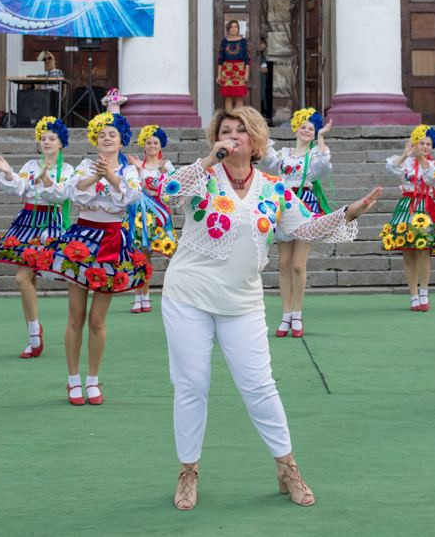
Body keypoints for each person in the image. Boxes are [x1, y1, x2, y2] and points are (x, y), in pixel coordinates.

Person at [158, 106, 381, 510]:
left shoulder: (275, 188)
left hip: (242, 301)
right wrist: (209, 159)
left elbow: (302, 227)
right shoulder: (203, 177)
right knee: (192, 386)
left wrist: (347, 213)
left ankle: (287, 466)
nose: (231, 136)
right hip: (187, 295)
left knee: (259, 386)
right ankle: (188, 471)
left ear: (257, 140)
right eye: (224, 131)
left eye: (240, 131)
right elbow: (167, 191)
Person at [47, 112, 147, 407]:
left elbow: (131, 197)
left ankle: (93, 379)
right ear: (95, 139)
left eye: (112, 134)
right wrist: (97, 175)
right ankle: (72, 379)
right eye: (102, 134)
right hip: (82, 239)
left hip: (112, 242)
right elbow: (70, 192)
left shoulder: (129, 171)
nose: (106, 138)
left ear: (121, 140)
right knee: (75, 316)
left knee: (97, 319)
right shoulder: (83, 166)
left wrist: (111, 176)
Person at [0, 115, 76, 358]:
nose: (46, 142)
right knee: (25, 280)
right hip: (27, 223)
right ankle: (33, 334)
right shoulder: (30, 165)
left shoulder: (67, 170)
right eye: (43, 138)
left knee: (23, 279)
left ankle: (35, 334)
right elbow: (20, 188)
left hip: (49, 225)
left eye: (52, 138)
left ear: (61, 143)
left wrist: (47, 179)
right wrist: (7, 173)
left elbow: (62, 196)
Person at [260, 108, 333, 337]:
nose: (307, 131)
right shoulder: (283, 154)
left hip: (304, 205)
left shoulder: (313, 156)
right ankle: (285, 315)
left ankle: (297, 314)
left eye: (311, 129)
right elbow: (266, 158)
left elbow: (323, 167)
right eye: (303, 126)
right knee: (283, 263)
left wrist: (321, 138)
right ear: (295, 128)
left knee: (298, 264)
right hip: (283, 204)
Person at [380, 124, 435, 311]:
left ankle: (424, 291)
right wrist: (406, 154)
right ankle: (413, 295)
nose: (424, 146)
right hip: (407, 207)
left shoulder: (433, 165)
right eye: (421, 143)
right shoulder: (406, 163)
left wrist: (421, 157)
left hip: (425, 207)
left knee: (424, 250)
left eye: (428, 144)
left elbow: (433, 179)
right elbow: (391, 167)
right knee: (408, 251)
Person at [124, 124, 178, 314]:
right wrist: (136, 169)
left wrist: (164, 172)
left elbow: (174, 188)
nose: (152, 145)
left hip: (160, 213)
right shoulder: (138, 167)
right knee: (142, 256)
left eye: (155, 142)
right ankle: (141, 297)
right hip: (141, 215)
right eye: (149, 142)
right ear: (144, 145)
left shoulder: (167, 165)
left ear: (161, 145)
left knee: (171, 252)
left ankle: (177, 295)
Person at [217, 20, 250, 111]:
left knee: (239, 96)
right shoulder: (224, 42)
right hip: (227, 71)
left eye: (236, 27)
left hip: (239, 71)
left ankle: (238, 118)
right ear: (228, 29)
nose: (234, 29)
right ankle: (229, 117)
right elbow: (220, 59)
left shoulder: (243, 42)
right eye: (231, 27)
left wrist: (246, 73)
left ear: (238, 29)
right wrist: (219, 75)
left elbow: (247, 59)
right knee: (228, 97)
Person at [256, 37, 274, 123]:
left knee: (263, 97)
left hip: (263, 81)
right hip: (256, 82)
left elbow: (264, 68)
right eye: (261, 43)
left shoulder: (262, 56)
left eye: (264, 44)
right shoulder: (253, 55)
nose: (263, 46)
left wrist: (266, 70)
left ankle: (264, 116)